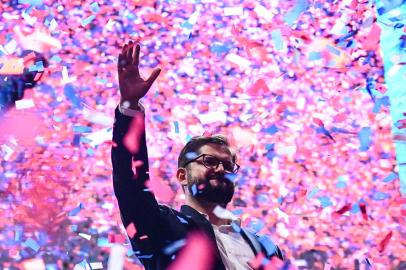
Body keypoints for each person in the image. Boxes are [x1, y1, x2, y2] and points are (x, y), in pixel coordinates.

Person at [112, 41, 284, 270]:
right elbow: (129, 182)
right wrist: (130, 107)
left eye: (228, 165)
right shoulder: (161, 226)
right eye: (209, 161)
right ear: (182, 175)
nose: (221, 169)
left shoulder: (265, 246)